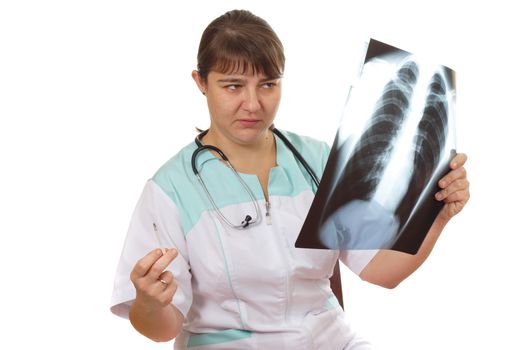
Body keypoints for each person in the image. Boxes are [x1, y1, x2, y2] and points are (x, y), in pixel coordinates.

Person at [110, 9, 470, 349]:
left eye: (268, 84)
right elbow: (162, 328)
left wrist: (437, 217)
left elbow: (381, 271)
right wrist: (149, 302)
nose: (253, 104)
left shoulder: (317, 160)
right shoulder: (171, 189)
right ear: (201, 82)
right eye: (233, 86)